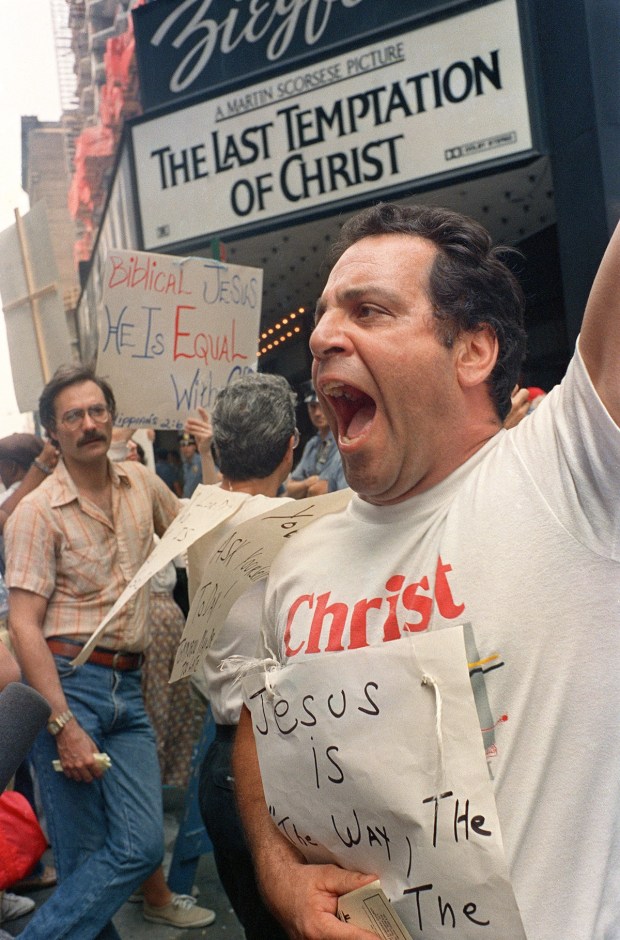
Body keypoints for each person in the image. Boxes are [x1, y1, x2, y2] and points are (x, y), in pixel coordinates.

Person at [233, 203, 620, 940]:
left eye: (368, 311)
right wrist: (281, 877)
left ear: (473, 350)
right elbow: (259, 725)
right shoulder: (298, 561)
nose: (320, 337)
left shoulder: (570, 472)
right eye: (322, 315)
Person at [4, 365, 214, 938]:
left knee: (141, 844)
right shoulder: (37, 511)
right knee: (82, 854)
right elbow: (24, 626)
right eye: (73, 416)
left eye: (97, 411)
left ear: (112, 417)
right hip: (68, 685)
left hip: (129, 688)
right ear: (53, 431)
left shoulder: (141, 483)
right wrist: (62, 724)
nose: (89, 424)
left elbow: (200, 531)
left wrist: (208, 455)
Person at [191, 373, 295, 940]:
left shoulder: (197, 516)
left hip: (223, 764)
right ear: (290, 447)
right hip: (281, 766)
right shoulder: (305, 529)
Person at [285, 381, 345, 498]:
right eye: (312, 406)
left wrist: (305, 488)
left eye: (322, 405)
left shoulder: (344, 440)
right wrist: (308, 483)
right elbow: (290, 488)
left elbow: (319, 490)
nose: (317, 413)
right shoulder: (312, 445)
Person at [178, 432, 203, 498]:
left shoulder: (201, 462)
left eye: (189, 445)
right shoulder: (185, 465)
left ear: (195, 447)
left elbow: (218, 477)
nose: (186, 448)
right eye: (183, 445)